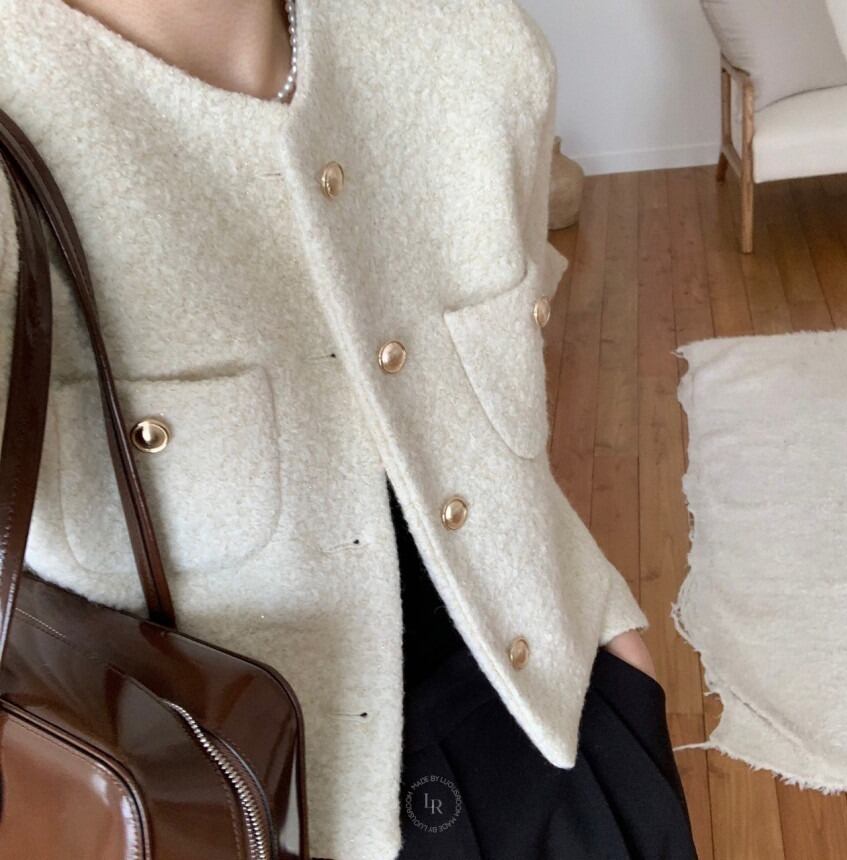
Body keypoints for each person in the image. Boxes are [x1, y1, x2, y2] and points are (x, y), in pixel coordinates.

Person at [0, 1, 697, 858]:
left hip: (563, 747)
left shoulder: (477, 44)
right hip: (241, 824)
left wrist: (609, 626)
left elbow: (493, 419)